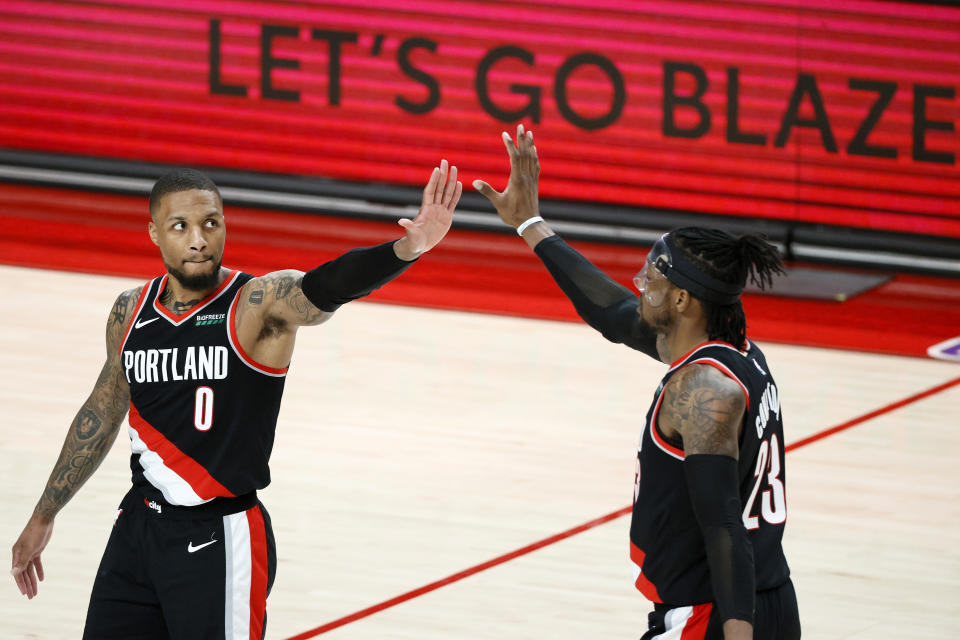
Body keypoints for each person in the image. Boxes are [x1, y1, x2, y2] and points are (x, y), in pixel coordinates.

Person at [11, 161, 462, 638]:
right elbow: (101, 412)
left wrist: (407, 248)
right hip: (137, 530)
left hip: (219, 535)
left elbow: (327, 285)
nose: (199, 239)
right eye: (179, 226)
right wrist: (44, 513)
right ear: (154, 233)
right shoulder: (130, 310)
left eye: (211, 222)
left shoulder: (257, 303)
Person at [474, 125, 800, 640]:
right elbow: (611, 311)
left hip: (714, 614)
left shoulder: (702, 391)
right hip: (769, 600)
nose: (639, 284)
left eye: (651, 278)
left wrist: (736, 630)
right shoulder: (735, 353)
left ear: (682, 301)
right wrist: (529, 224)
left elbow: (723, 527)